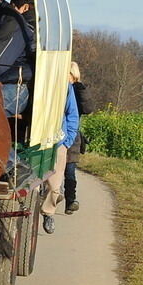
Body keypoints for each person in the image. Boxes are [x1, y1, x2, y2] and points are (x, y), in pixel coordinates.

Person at [41, 81, 79, 234]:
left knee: (54, 185)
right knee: (30, 183)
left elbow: (72, 114)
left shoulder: (66, 87)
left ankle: (48, 212)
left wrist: (67, 141)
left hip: (57, 142)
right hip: (33, 139)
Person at [64, 62, 93, 214]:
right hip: (61, 133)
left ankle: (70, 201)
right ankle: (52, 195)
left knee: (69, 171)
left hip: (73, 136)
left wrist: (81, 89)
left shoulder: (78, 90)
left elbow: (88, 109)